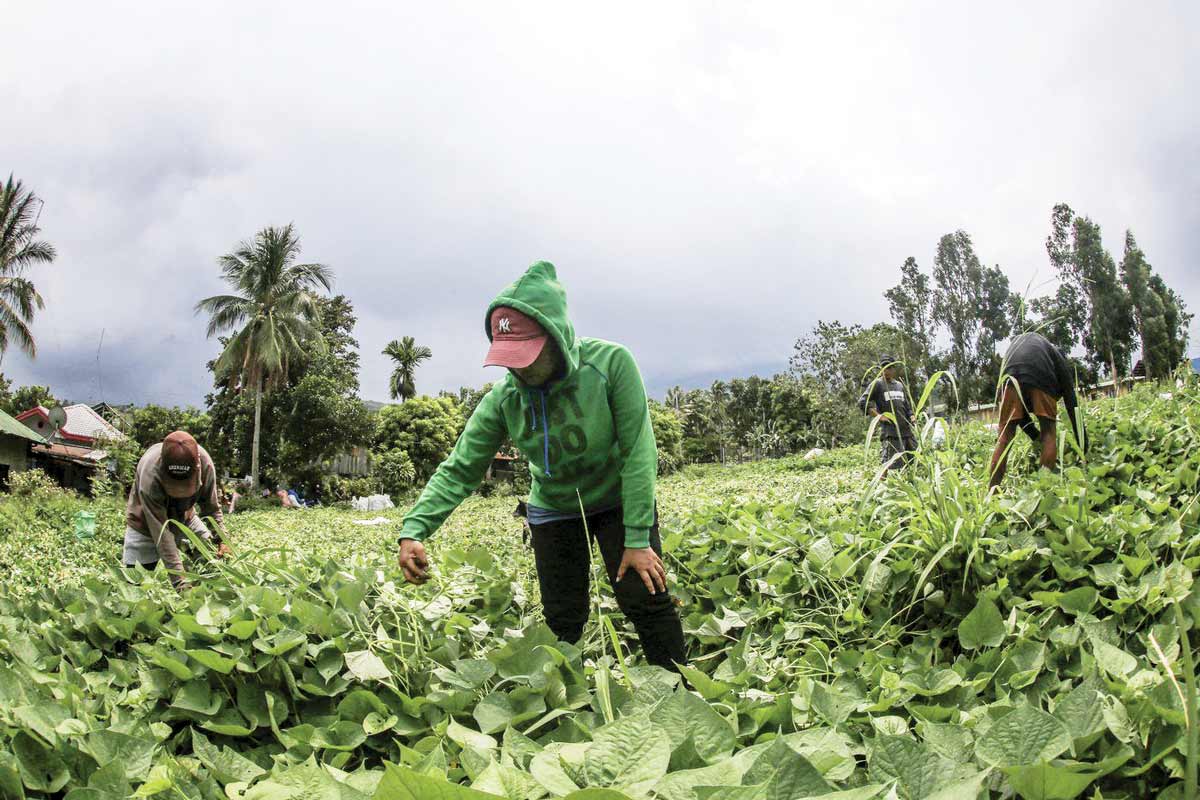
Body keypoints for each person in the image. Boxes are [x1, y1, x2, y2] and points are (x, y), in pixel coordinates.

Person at [396, 261, 687, 671]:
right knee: (562, 617)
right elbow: (460, 468)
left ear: (556, 338)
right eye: (509, 358)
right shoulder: (504, 399)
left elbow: (639, 451)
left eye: (528, 355)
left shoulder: (610, 365)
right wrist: (414, 530)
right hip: (553, 508)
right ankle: (563, 703)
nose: (520, 368)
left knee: (646, 598)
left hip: (616, 499)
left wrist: (637, 538)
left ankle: (679, 693)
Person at [124, 431, 230, 587]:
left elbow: (211, 508)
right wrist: (179, 582)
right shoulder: (150, 474)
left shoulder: (206, 464)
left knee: (214, 561)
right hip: (146, 524)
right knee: (135, 585)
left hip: (185, 517)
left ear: (197, 467)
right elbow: (161, 532)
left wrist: (222, 538)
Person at [989, 332, 1085, 490]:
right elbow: (1071, 402)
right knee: (1049, 433)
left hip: (1008, 376)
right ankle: (1043, 490)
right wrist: (1082, 445)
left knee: (1004, 438)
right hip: (1038, 370)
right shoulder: (1056, 358)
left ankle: (992, 493)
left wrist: (1034, 436)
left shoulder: (1038, 346)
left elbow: (1021, 418)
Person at [858, 355, 917, 473]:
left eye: (889, 368)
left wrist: (911, 415)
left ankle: (911, 485)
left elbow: (906, 405)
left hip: (906, 432)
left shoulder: (899, 385)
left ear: (894, 369)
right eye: (883, 368)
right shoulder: (878, 384)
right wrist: (879, 416)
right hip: (891, 432)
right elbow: (862, 402)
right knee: (888, 464)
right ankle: (882, 487)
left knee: (914, 461)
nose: (886, 371)